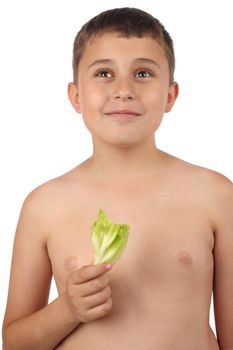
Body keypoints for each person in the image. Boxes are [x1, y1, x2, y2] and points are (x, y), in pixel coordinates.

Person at [2, 7, 233, 350]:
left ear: (170, 95)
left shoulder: (215, 194)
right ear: (76, 96)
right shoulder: (44, 204)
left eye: (142, 73)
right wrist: (66, 309)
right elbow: (14, 342)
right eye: (104, 73)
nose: (124, 90)